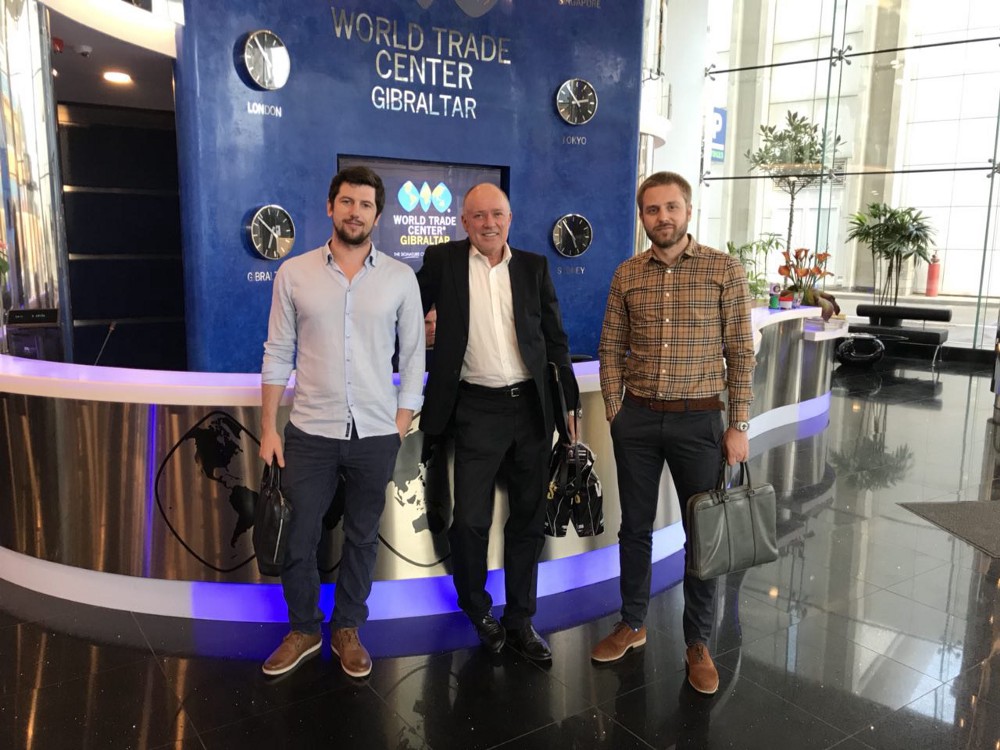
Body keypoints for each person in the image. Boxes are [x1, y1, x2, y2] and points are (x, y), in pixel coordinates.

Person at [591, 171, 755, 695]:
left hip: (699, 420)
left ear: (687, 211)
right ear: (642, 216)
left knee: (702, 534)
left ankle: (698, 643)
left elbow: (740, 352)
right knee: (634, 528)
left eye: (670, 207)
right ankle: (632, 622)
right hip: (638, 420)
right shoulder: (627, 274)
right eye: (652, 209)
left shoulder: (723, 269)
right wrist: (616, 410)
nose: (662, 217)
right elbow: (610, 347)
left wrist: (739, 424)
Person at [258, 166, 425, 678]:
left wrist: (401, 421)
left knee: (362, 537)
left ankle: (348, 627)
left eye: (366, 204)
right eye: (347, 202)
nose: (356, 212)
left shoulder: (400, 278)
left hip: (376, 433)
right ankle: (304, 629)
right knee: (299, 536)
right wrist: (268, 426)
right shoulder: (294, 273)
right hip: (310, 431)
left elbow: (413, 356)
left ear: (378, 214)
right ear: (331, 207)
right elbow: (277, 352)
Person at [417, 183, 578, 661]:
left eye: (498, 214)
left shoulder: (533, 266)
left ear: (510, 219)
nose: (489, 223)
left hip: (531, 407)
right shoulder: (443, 261)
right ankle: (476, 607)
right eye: (479, 215)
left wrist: (569, 405)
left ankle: (521, 619)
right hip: (474, 408)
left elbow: (555, 339)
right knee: (470, 520)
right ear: (464, 222)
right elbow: (401, 310)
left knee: (527, 519)